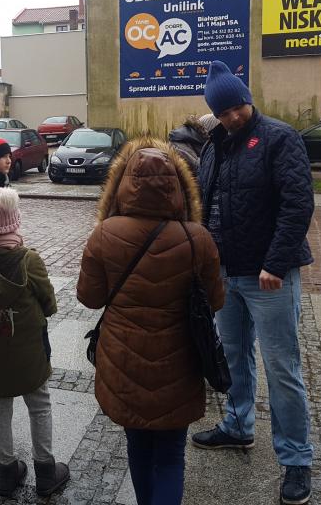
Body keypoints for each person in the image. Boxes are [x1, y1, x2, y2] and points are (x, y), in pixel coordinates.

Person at [192, 61, 315, 505]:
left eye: (236, 106)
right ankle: (238, 426)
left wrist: (276, 264)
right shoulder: (213, 148)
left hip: (269, 279)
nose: (232, 117)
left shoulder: (280, 138)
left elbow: (297, 205)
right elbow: (205, 209)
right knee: (234, 356)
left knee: (282, 368)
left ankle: (296, 459)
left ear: (247, 98)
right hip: (226, 275)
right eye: (223, 112)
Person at [76, 137, 225, 505]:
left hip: (124, 362)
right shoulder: (198, 239)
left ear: (126, 184)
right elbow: (216, 302)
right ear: (176, 186)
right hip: (181, 362)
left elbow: (89, 298)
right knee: (171, 455)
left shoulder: (104, 234)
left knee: (138, 447)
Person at [0, 182, 70, 498]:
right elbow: (47, 300)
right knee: (39, 403)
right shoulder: (27, 259)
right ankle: (46, 471)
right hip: (28, 350)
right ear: (12, 218)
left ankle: (6, 471)